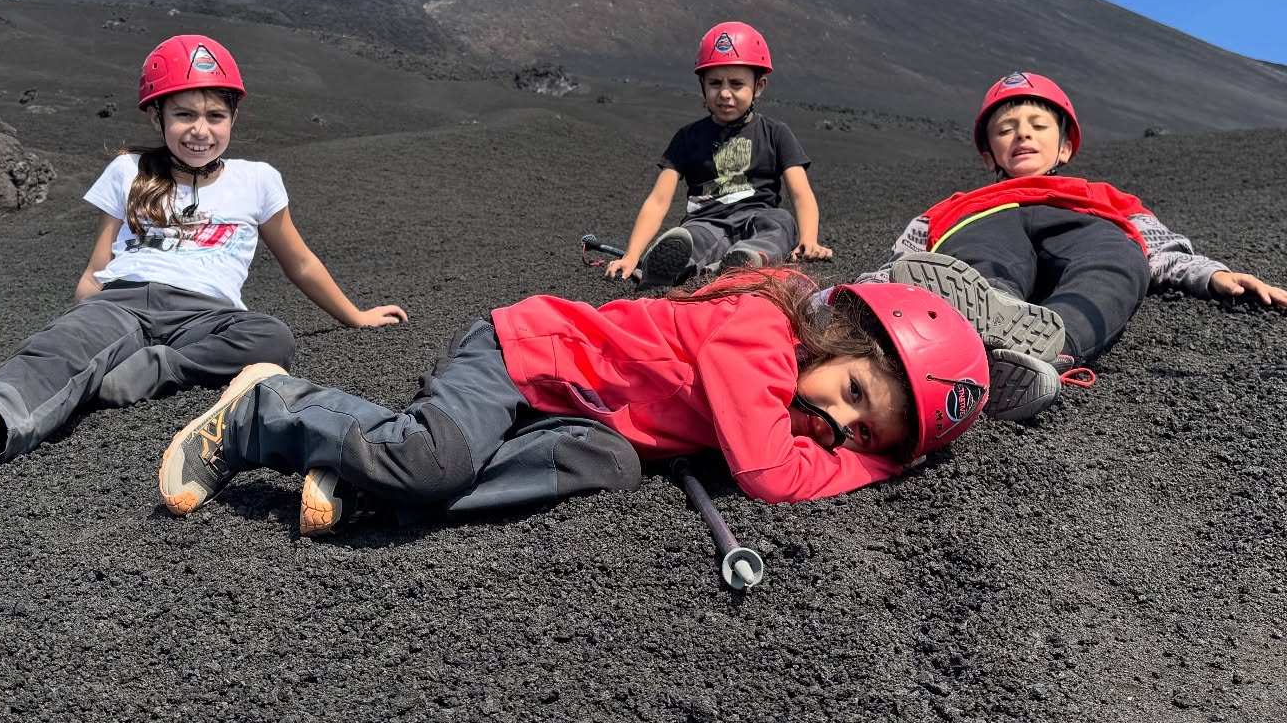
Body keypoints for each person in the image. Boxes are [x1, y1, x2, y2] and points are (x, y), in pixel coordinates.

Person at [0, 34, 407, 488]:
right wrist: (86, 319)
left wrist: (355, 316)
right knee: (59, 349)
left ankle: (136, 374)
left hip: (207, 315)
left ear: (234, 118)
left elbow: (301, 263)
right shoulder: (129, 170)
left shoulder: (259, 179)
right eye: (184, 114)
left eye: (215, 115)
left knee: (271, 337)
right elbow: (96, 266)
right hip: (127, 299)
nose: (200, 129)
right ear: (156, 115)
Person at [158, 266, 993, 538]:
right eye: (853, 393)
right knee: (433, 461)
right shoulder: (757, 337)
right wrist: (885, 462)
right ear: (839, 337)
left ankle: (360, 465)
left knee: (614, 463)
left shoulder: (795, 389)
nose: (842, 425)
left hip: (576, 416)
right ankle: (263, 410)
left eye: (862, 429)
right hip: (521, 359)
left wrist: (869, 439)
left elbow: (784, 451)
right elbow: (772, 475)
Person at [859, 70, 1287, 423]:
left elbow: (1157, 249)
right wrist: (862, 294)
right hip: (985, 220)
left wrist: (1211, 274)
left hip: (1083, 222)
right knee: (978, 258)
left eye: (1038, 126)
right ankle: (992, 315)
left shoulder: (1102, 196)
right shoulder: (953, 208)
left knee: (1117, 261)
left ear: (1065, 145)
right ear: (989, 155)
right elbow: (907, 263)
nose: (1022, 135)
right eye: (1005, 130)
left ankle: (1051, 349)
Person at [605, 22, 832, 289]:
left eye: (737, 84)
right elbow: (658, 200)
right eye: (715, 83)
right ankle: (677, 269)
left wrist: (809, 238)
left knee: (781, 222)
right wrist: (631, 256)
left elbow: (800, 192)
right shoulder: (687, 137)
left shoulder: (776, 133)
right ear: (702, 84)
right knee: (690, 238)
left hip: (757, 218)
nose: (725, 93)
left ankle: (745, 260)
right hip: (706, 221)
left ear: (759, 86)